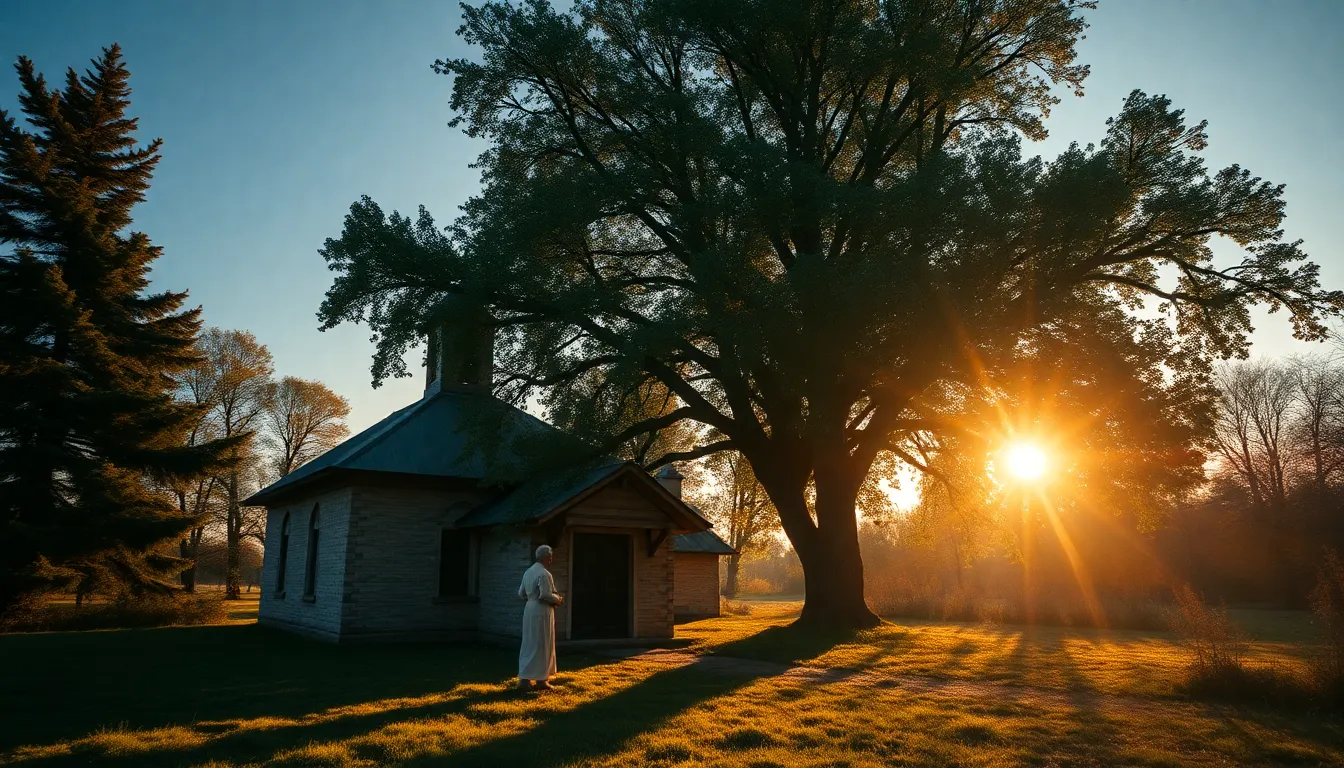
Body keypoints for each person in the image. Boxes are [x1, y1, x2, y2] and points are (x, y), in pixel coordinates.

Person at [517, 544, 563, 691]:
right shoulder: (544, 574)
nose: (551, 560)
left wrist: (532, 597)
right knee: (542, 642)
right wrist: (558, 599)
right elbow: (545, 595)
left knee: (529, 642)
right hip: (541, 611)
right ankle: (541, 679)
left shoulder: (528, 572)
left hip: (529, 609)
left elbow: (521, 593)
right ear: (546, 557)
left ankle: (525, 678)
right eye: (550, 557)